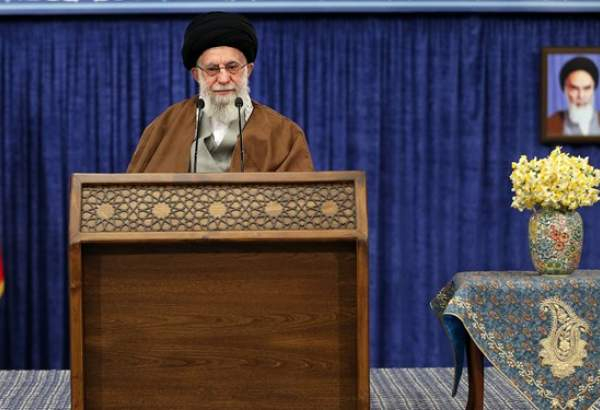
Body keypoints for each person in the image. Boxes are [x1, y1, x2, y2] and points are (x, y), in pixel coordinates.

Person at [128, 12, 314, 173]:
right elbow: (133, 195)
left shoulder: (284, 135)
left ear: (248, 70)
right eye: (212, 69)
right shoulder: (164, 128)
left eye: (232, 67)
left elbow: (299, 199)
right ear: (196, 74)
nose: (224, 79)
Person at [547, 56, 600, 136]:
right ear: (565, 90)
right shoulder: (550, 124)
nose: (581, 96)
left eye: (587, 88)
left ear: (593, 89)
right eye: (574, 88)